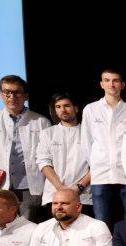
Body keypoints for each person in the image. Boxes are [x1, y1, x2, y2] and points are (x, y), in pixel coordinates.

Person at [0, 75, 50, 220]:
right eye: (7, 92)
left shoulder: (41, 121)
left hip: (30, 187)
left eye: (17, 92)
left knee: (27, 228)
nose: (12, 97)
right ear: (1, 94)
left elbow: (47, 158)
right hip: (1, 186)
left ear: (25, 95)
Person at [81, 68, 126, 229]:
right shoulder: (90, 109)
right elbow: (86, 142)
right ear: (101, 84)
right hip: (100, 175)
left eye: (115, 80)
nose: (111, 84)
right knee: (102, 222)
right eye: (107, 80)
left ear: (122, 85)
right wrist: (96, 163)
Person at [35, 93, 92, 221]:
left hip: (83, 195)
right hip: (54, 196)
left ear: (76, 108)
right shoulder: (48, 133)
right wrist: (61, 189)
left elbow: (97, 164)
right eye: (58, 107)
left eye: (66, 106)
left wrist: (79, 187)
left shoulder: (88, 133)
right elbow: (43, 162)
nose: (63, 110)